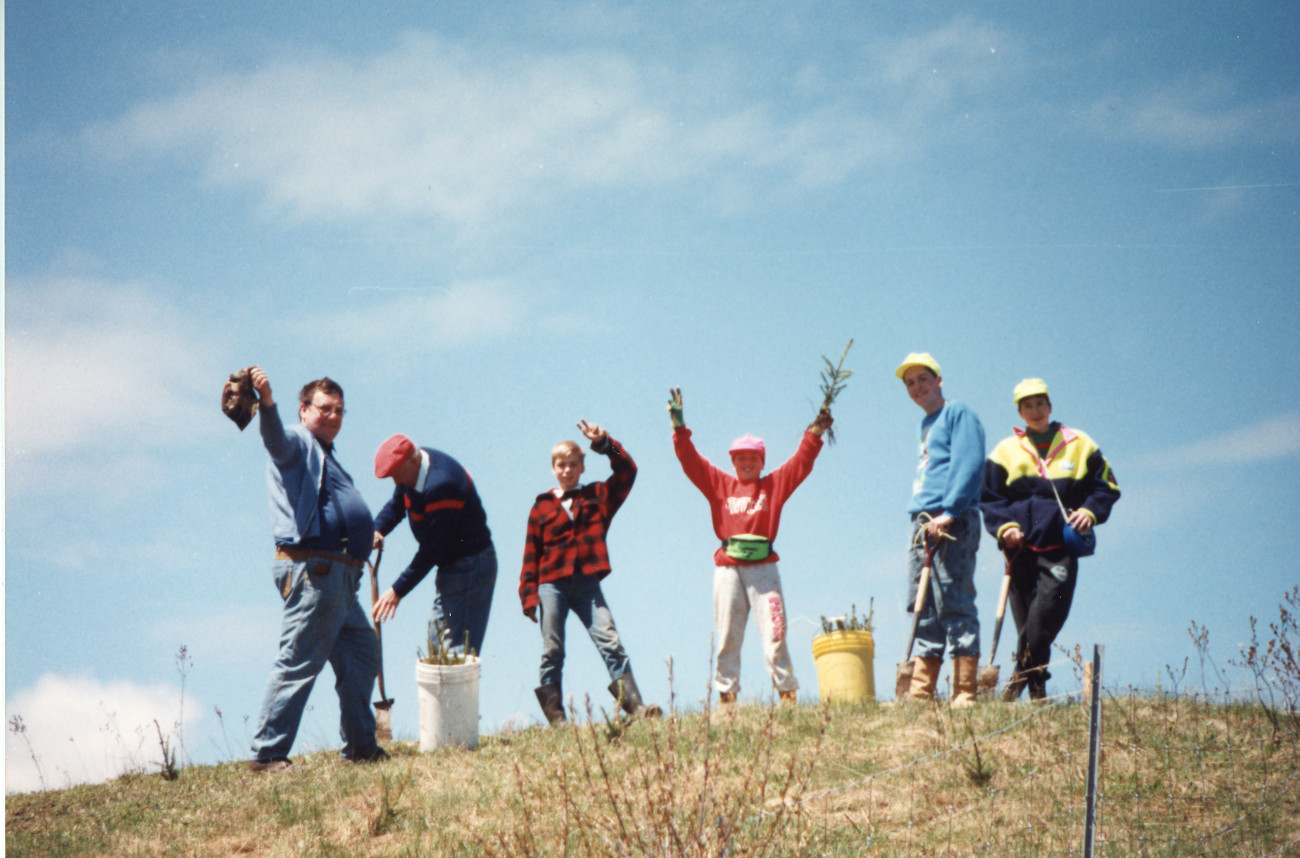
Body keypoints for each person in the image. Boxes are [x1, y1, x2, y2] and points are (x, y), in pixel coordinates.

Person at [246, 367, 383, 772]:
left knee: (361, 652)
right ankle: (266, 754)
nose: (333, 416)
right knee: (299, 659)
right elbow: (276, 441)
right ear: (304, 410)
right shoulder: (299, 442)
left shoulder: (327, 455)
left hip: (340, 576)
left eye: (340, 410)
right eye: (325, 408)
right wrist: (266, 402)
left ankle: (361, 748)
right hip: (316, 571)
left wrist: (361, 535)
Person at [669, 388, 833, 706]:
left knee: (776, 630)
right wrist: (679, 428)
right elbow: (692, 463)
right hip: (728, 567)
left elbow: (800, 463)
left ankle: (787, 693)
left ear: (762, 461)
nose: (747, 463)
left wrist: (815, 432)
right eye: (741, 458)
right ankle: (726, 696)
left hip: (764, 569)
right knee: (728, 633)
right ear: (732, 462)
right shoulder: (720, 485)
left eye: (753, 458)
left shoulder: (773, 486)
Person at [980, 378, 1120, 700]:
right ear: (1019, 412)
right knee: (1027, 624)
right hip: (1019, 550)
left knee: (1043, 620)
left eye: (1040, 403)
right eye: (1027, 406)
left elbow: (1107, 487)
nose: (1035, 410)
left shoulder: (1080, 443)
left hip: (1060, 548)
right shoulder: (1005, 451)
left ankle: (1019, 679)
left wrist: (1090, 511)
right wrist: (1005, 528)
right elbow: (988, 498)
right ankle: (1038, 696)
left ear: (1050, 406)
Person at [519, 420, 660, 725]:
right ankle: (557, 720)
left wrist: (605, 443)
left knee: (610, 640)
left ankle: (636, 708)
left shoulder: (597, 496)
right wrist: (528, 596)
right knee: (552, 648)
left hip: (586, 584)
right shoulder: (541, 506)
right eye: (561, 465)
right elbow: (530, 555)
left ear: (582, 467)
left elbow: (627, 472)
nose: (567, 470)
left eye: (572, 464)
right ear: (553, 469)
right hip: (550, 585)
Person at [895, 353, 986, 707]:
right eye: (910, 383)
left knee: (954, 598)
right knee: (922, 603)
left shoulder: (957, 413)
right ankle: (922, 690)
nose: (917, 387)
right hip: (921, 520)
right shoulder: (926, 424)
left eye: (922, 379)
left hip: (951, 520)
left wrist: (951, 511)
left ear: (938, 380)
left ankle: (964, 691)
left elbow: (970, 461)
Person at [371, 434, 498, 657]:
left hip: (470, 568)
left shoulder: (442, 484)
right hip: (452, 567)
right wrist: (377, 529)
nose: (396, 482)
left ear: (413, 460)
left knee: (455, 653)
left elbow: (432, 549)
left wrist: (397, 590)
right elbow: (396, 505)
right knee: (437, 649)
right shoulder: (412, 468)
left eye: (397, 474)